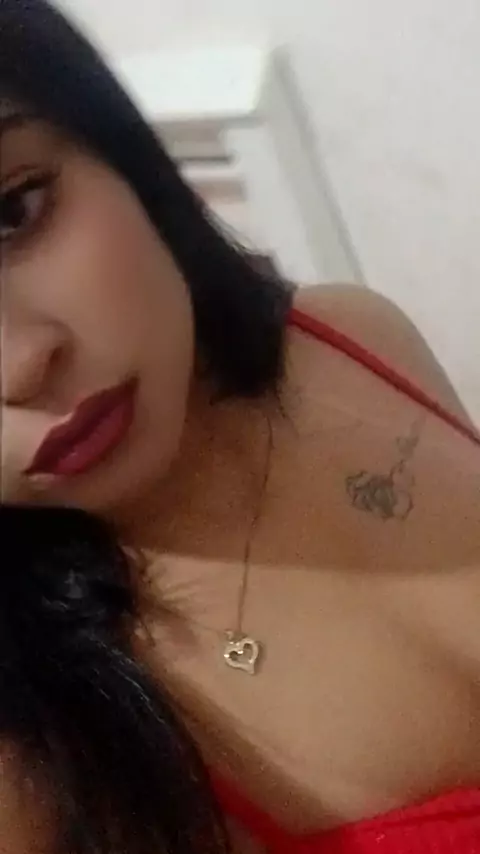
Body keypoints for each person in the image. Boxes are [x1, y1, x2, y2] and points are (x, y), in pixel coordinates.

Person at [1, 1, 479, 852]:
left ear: (116, 147)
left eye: (12, 214)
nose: (20, 364)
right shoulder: (40, 760)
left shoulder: (356, 334)